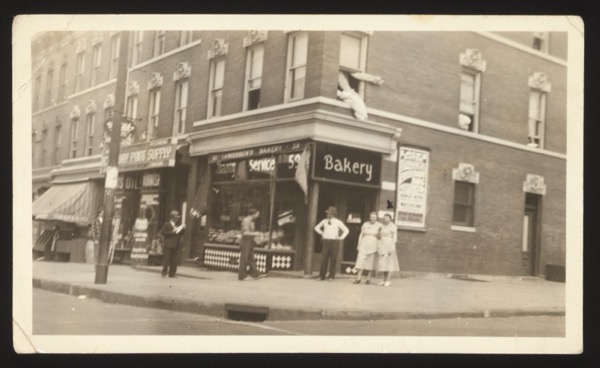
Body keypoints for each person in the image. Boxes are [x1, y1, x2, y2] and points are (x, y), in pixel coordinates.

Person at [314, 206, 349, 281]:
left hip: (334, 242)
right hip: (326, 241)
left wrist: (341, 238)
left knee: (333, 259)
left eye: (330, 214)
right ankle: (322, 276)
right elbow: (316, 227)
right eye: (327, 213)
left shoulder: (338, 222)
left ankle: (331, 276)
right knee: (324, 259)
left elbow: (346, 230)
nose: (328, 215)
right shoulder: (324, 221)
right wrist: (322, 233)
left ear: (333, 215)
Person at [353, 211, 382, 285]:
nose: (373, 218)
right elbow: (361, 234)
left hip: (373, 244)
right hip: (364, 243)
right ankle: (358, 278)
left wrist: (379, 245)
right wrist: (358, 244)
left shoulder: (379, 225)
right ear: (369, 217)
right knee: (360, 260)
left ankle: (368, 278)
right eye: (371, 217)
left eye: (374, 217)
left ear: (376, 218)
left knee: (370, 261)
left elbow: (381, 236)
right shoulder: (365, 224)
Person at [239, 208, 265, 281]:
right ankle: (242, 276)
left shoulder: (252, 221)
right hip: (245, 241)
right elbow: (245, 233)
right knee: (244, 258)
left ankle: (255, 274)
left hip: (250, 241)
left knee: (251, 258)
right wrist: (256, 233)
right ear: (253, 214)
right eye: (257, 214)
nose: (258, 215)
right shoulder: (247, 221)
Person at [160, 210, 186, 278]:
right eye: (176, 218)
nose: (177, 219)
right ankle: (164, 273)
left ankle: (172, 273)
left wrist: (183, 229)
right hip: (168, 244)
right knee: (167, 259)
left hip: (175, 244)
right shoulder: (167, 224)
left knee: (174, 260)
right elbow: (163, 233)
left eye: (177, 218)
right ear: (172, 218)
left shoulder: (176, 225)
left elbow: (179, 234)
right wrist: (172, 232)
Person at [376, 213, 400, 286]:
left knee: (389, 263)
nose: (386, 220)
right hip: (382, 245)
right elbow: (379, 236)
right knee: (383, 264)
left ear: (390, 219)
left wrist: (391, 248)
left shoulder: (393, 227)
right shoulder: (382, 226)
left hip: (389, 245)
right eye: (385, 218)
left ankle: (388, 281)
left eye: (387, 218)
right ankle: (384, 280)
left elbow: (394, 238)